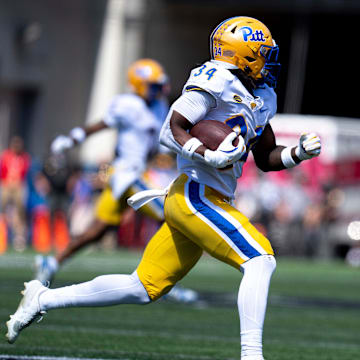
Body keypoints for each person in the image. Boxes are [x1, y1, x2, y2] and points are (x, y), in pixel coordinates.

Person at [6, 17, 321, 360]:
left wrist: (298, 153)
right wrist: (206, 154)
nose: (269, 60)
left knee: (142, 286)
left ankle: (43, 297)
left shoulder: (262, 96)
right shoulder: (216, 80)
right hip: (195, 193)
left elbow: (264, 157)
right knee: (260, 259)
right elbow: (171, 130)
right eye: (261, 53)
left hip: (207, 197)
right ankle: (252, 355)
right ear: (240, 55)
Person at [33, 58, 197, 303]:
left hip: (134, 173)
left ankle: (52, 262)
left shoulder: (159, 105)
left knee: (98, 231)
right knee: (173, 215)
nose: (158, 89)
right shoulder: (127, 104)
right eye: (152, 85)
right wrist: (72, 139)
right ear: (139, 84)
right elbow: (101, 125)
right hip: (126, 173)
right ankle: (163, 280)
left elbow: (154, 145)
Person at [0, 135, 31, 251]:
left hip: (19, 185)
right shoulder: (6, 156)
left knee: (20, 212)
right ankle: (3, 235)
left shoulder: (24, 157)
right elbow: (2, 170)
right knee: (3, 210)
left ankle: (19, 237)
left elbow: (25, 171)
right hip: (6, 185)